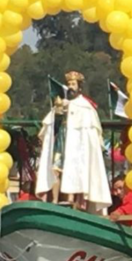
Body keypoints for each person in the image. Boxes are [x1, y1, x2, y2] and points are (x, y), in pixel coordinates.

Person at [35, 71, 112, 214]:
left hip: (77, 148)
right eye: (69, 84)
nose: (70, 87)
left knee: (77, 169)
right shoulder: (61, 103)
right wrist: (58, 112)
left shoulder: (85, 107)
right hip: (62, 141)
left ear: (79, 87)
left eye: (73, 84)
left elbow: (90, 136)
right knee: (56, 170)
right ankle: (54, 200)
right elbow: (51, 127)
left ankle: (73, 200)